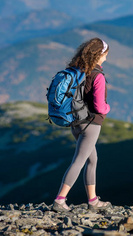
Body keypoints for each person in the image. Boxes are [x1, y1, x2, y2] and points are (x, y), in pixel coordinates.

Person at [52, 37, 112, 212]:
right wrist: (108, 108)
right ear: (99, 55)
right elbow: (99, 106)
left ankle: (93, 201)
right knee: (79, 161)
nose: (106, 58)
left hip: (76, 122)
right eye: (105, 55)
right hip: (91, 125)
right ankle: (60, 200)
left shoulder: (77, 71)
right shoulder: (97, 76)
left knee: (92, 159)